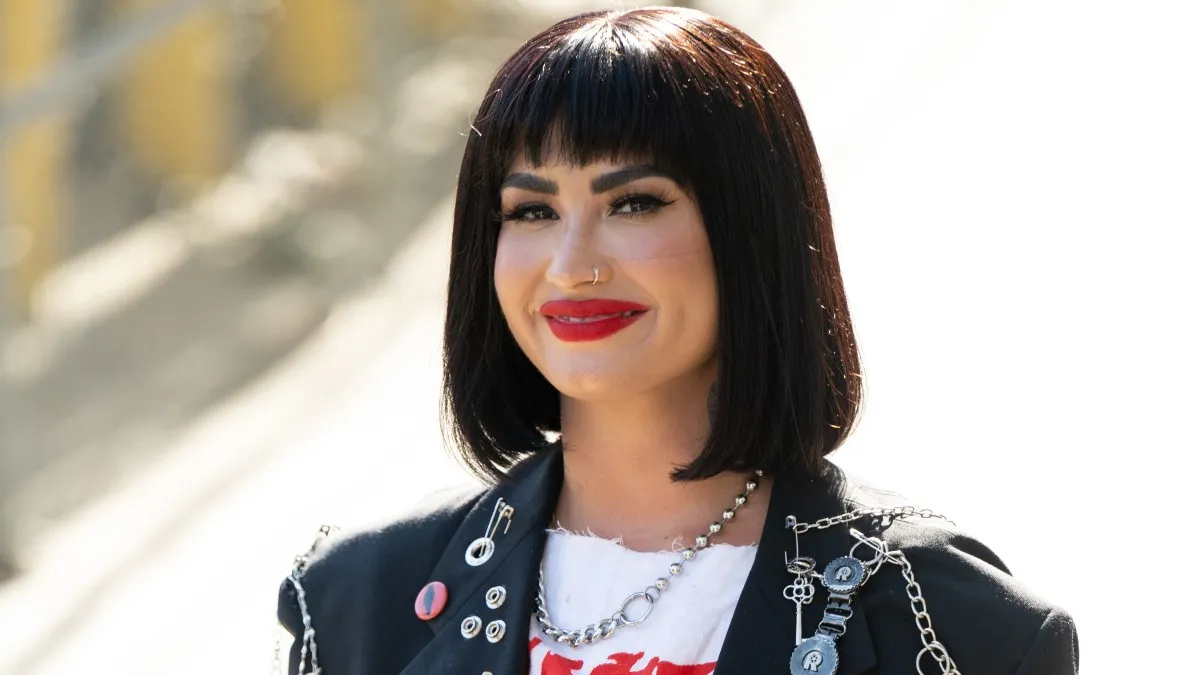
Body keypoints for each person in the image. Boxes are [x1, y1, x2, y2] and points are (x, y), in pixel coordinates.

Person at [276, 7, 1078, 674]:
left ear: (752, 230)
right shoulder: (359, 601)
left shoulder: (950, 627)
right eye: (532, 210)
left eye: (633, 203)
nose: (571, 266)